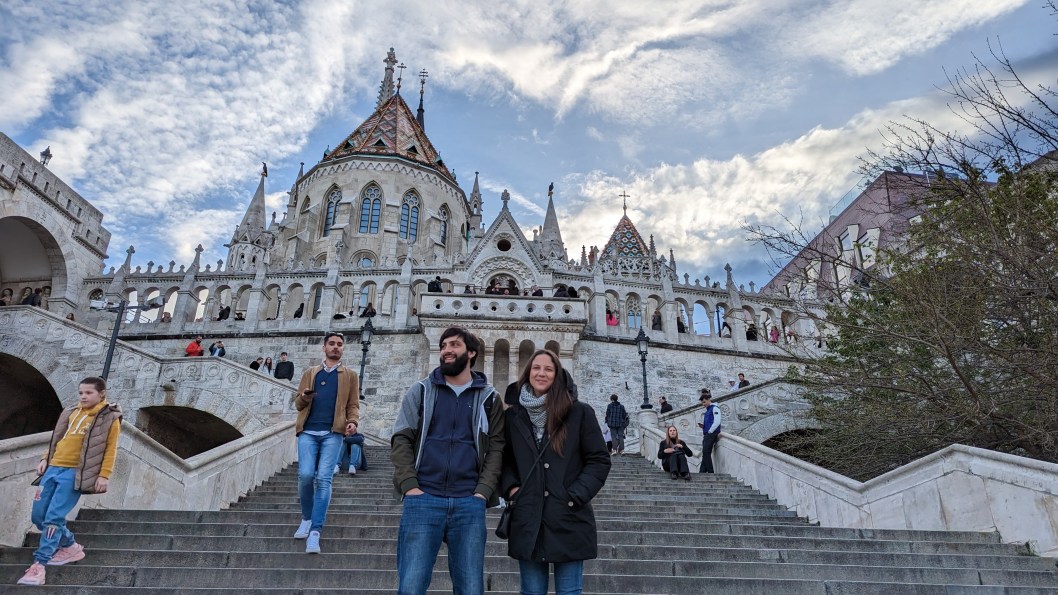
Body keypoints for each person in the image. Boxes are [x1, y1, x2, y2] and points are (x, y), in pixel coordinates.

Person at [390, 326, 505, 595]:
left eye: (454, 345)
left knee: (470, 588)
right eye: (443, 346)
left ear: (471, 353)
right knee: (411, 586)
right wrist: (410, 485)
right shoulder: (420, 391)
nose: (447, 351)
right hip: (423, 498)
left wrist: (483, 491)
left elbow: (497, 447)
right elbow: (401, 438)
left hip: (468, 502)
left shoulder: (490, 398)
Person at [499, 349, 611, 594]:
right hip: (528, 516)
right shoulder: (512, 416)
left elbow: (599, 459)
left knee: (569, 592)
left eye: (548, 369)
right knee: (531, 591)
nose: (541, 373)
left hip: (569, 516)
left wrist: (575, 495)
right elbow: (504, 459)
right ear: (528, 373)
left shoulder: (579, 412)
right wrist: (512, 489)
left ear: (557, 375)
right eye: (536, 368)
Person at [16, 377, 122, 586]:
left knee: (53, 518)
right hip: (53, 468)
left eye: (89, 393)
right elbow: (58, 438)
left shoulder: (110, 417)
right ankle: (71, 546)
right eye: (81, 392)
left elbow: (111, 448)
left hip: (75, 473)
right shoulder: (71, 412)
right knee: (38, 516)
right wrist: (45, 458)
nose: (83, 396)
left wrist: (104, 475)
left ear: (101, 394)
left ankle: (39, 565)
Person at [293, 332, 360, 554]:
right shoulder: (310, 373)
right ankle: (306, 517)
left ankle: (315, 531)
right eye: (331, 343)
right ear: (324, 347)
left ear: (343, 349)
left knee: (324, 478)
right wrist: (305, 396)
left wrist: (353, 422)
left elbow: (353, 404)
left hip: (333, 433)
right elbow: (298, 404)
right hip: (308, 431)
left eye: (340, 344)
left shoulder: (350, 376)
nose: (335, 347)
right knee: (305, 475)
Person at [697, 393, 722, 474]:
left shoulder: (715, 408)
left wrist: (710, 431)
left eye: (704, 402)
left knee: (706, 452)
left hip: (711, 433)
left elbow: (717, 421)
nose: (703, 404)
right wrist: (704, 426)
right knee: (705, 452)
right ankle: (702, 472)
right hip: (707, 433)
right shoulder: (708, 410)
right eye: (702, 403)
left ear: (708, 400)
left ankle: (710, 472)